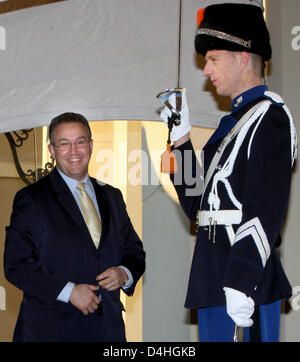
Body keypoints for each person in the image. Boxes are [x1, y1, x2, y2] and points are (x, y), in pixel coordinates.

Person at [160, 3, 297, 342]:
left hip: (243, 277)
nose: (206, 70)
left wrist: (241, 280)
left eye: (213, 59)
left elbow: (264, 208)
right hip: (210, 273)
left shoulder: (271, 117)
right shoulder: (230, 124)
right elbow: (197, 207)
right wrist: (181, 139)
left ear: (242, 57)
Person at [4, 112, 145, 342]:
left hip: (107, 331)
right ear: (52, 150)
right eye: (64, 144)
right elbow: (16, 265)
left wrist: (123, 273)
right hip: (50, 331)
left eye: (80, 142)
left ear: (90, 145)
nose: (74, 151)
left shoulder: (113, 197)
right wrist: (68, 291)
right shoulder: (31, 199)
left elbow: (134, 252)